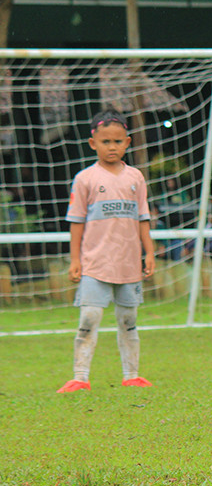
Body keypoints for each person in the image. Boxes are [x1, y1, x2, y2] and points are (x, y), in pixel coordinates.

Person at [58, 111, 155, 393]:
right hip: (95, 264)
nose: (111, 147)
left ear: (127, 142)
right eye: (105, 142)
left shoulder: (136, 177)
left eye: (117, 141)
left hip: (128, 266)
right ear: (93, 143)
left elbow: (143, 219)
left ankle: (132, 375)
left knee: (129, 321)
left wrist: (148, 253)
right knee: (89, 318)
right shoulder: (85, 178)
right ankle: (80, 377)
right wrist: (75, 259)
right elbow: (76, 222)